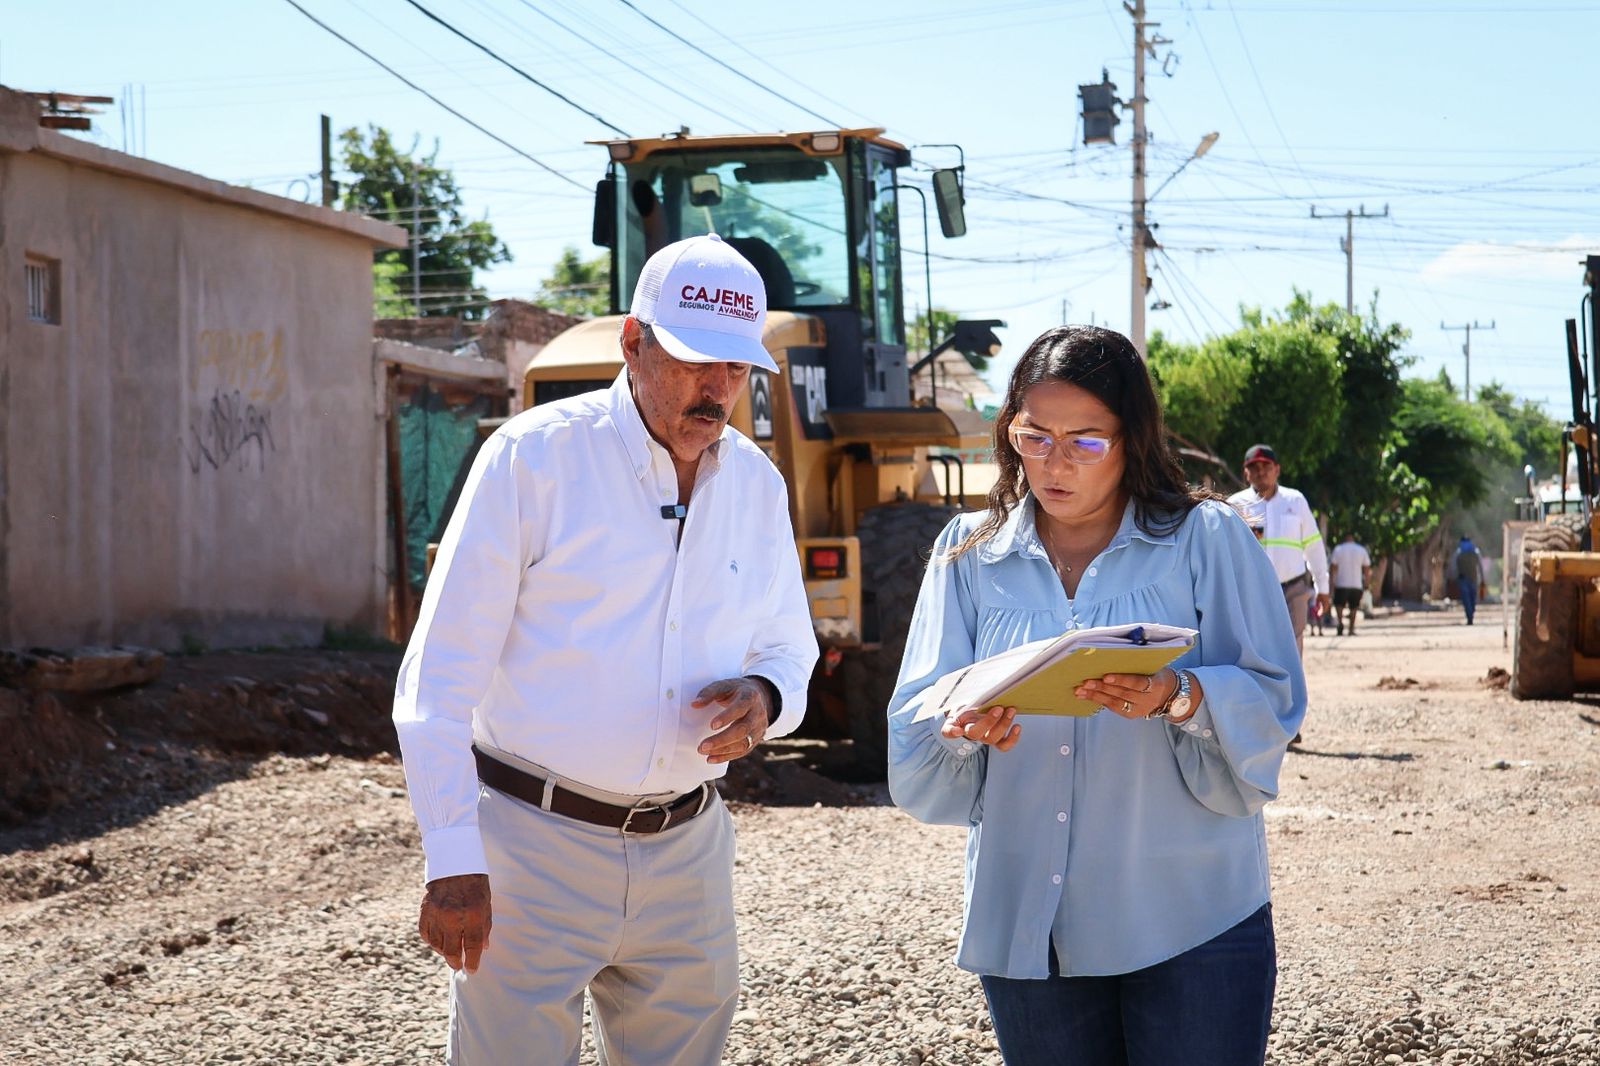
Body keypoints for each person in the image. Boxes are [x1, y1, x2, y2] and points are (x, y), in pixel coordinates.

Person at [392, 233, 820, 1065]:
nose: (716, 389)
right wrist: (452, 858)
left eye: (735, 368)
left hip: (689, 852)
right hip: (530, 848)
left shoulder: (757, 485)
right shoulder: (533, 458)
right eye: (694, 361)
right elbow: (437, 678)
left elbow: (788, 648)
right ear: (632, 342)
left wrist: (765, 697)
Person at [887, 325, 1304, 1066]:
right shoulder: (968, 555)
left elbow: (1275, 698)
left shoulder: (1206, 538)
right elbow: (915, 721)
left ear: (1131, 439)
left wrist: (1178, 696)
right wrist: (960, 728)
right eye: (1034, 437)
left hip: (1194, 919)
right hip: (1030, 925)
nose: (1055, 463)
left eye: (1085, 442)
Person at [1227, 444, 1331, 658]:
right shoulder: (1234, 505)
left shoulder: (1295, 501)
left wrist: (1322, 587)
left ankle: (1293, 682)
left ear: (1277, 469)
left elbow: (1313, 546)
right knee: (1255, 650)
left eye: (1266, 466)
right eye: (1254, 467)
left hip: (1292, 590)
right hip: (1250, 592)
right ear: (1246, 473)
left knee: (1291, 650)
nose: (1261, 472)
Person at [1329, 532, 1373, 636]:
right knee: (1354, 606)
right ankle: (1351, 628)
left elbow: (1333, 568)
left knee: (1339, 605)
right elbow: (1367, 569)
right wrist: (1366, 584)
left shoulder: (1338, 549)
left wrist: (1331, 583)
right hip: (1356, 584)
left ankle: (1340, 623)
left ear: (1345, 539)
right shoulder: (1361, 550)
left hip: (1341, 583)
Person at [1452, 534, 1484, 625]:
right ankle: (1470, 615)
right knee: (1472, 598)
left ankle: (1469, 616)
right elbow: (1480, 566)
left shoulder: (1458, 552)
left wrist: (1454, 577)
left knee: (1467, 600)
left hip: (1463, 579)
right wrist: (1482, 578)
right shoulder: (1475, 552)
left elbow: (1454, 567)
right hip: (1473, 579)